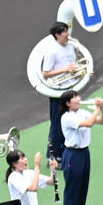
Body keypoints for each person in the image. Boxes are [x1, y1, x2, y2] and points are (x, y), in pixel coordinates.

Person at [59, 92, 103, 205]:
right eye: (75, 97)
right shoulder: (66, 117)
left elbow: (101, 121)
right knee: (73, 189)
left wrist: (102, 109)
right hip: (73, 154)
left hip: (84, 152)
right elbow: (89, 123)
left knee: (83, 187)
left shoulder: (82, 112)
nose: (79, 99)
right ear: (68, 103)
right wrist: (97, 107)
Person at [42, 22, 80, 162]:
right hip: (57, 92)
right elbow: (45, 74)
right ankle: (52, 156)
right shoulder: (52, 51)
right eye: (64, 32)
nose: (67, 34)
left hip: (70, 90)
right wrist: (65, 70)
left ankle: (64, 153)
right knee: (57, 124)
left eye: (67, 30)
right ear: (57, 35)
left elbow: (74, 66)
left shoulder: (71, 47)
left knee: (69, 121)